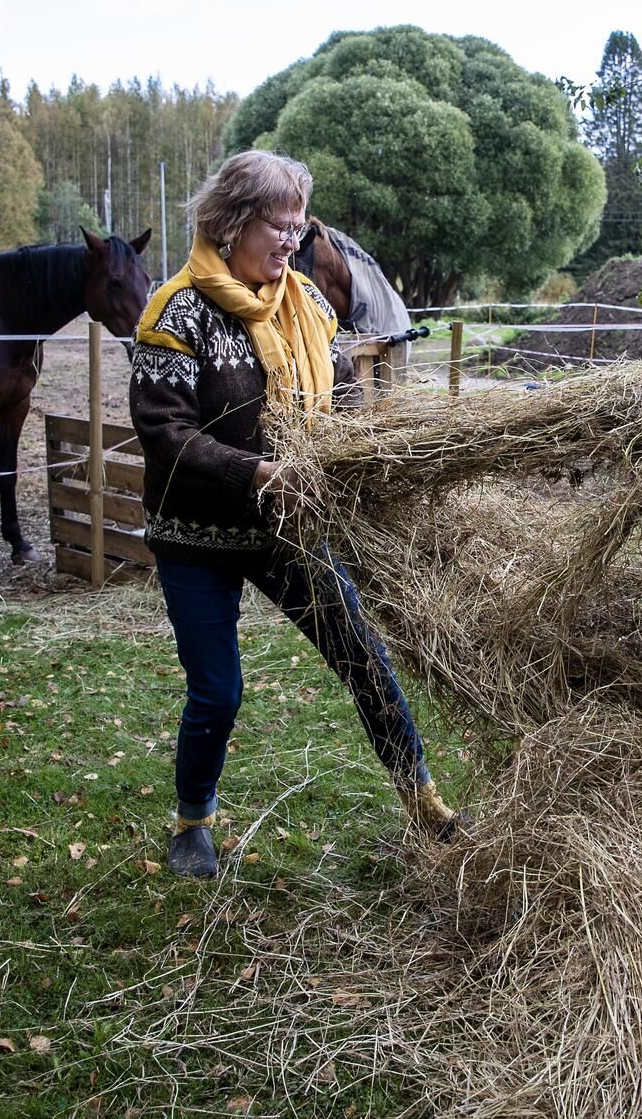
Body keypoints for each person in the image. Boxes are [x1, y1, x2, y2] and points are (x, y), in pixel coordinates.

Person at [129, 149, 459, 878]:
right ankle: (193, 822)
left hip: (287, 526)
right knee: (218, 689)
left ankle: (423, 797)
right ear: (232, 222)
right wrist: (257, 470)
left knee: (362, 656)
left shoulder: (306, 303)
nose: (290, 242)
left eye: (297, 228)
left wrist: (360, 452)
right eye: (278, 228)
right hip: (194, 534)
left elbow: (340, 394)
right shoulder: (176, 311)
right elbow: (164, 431)